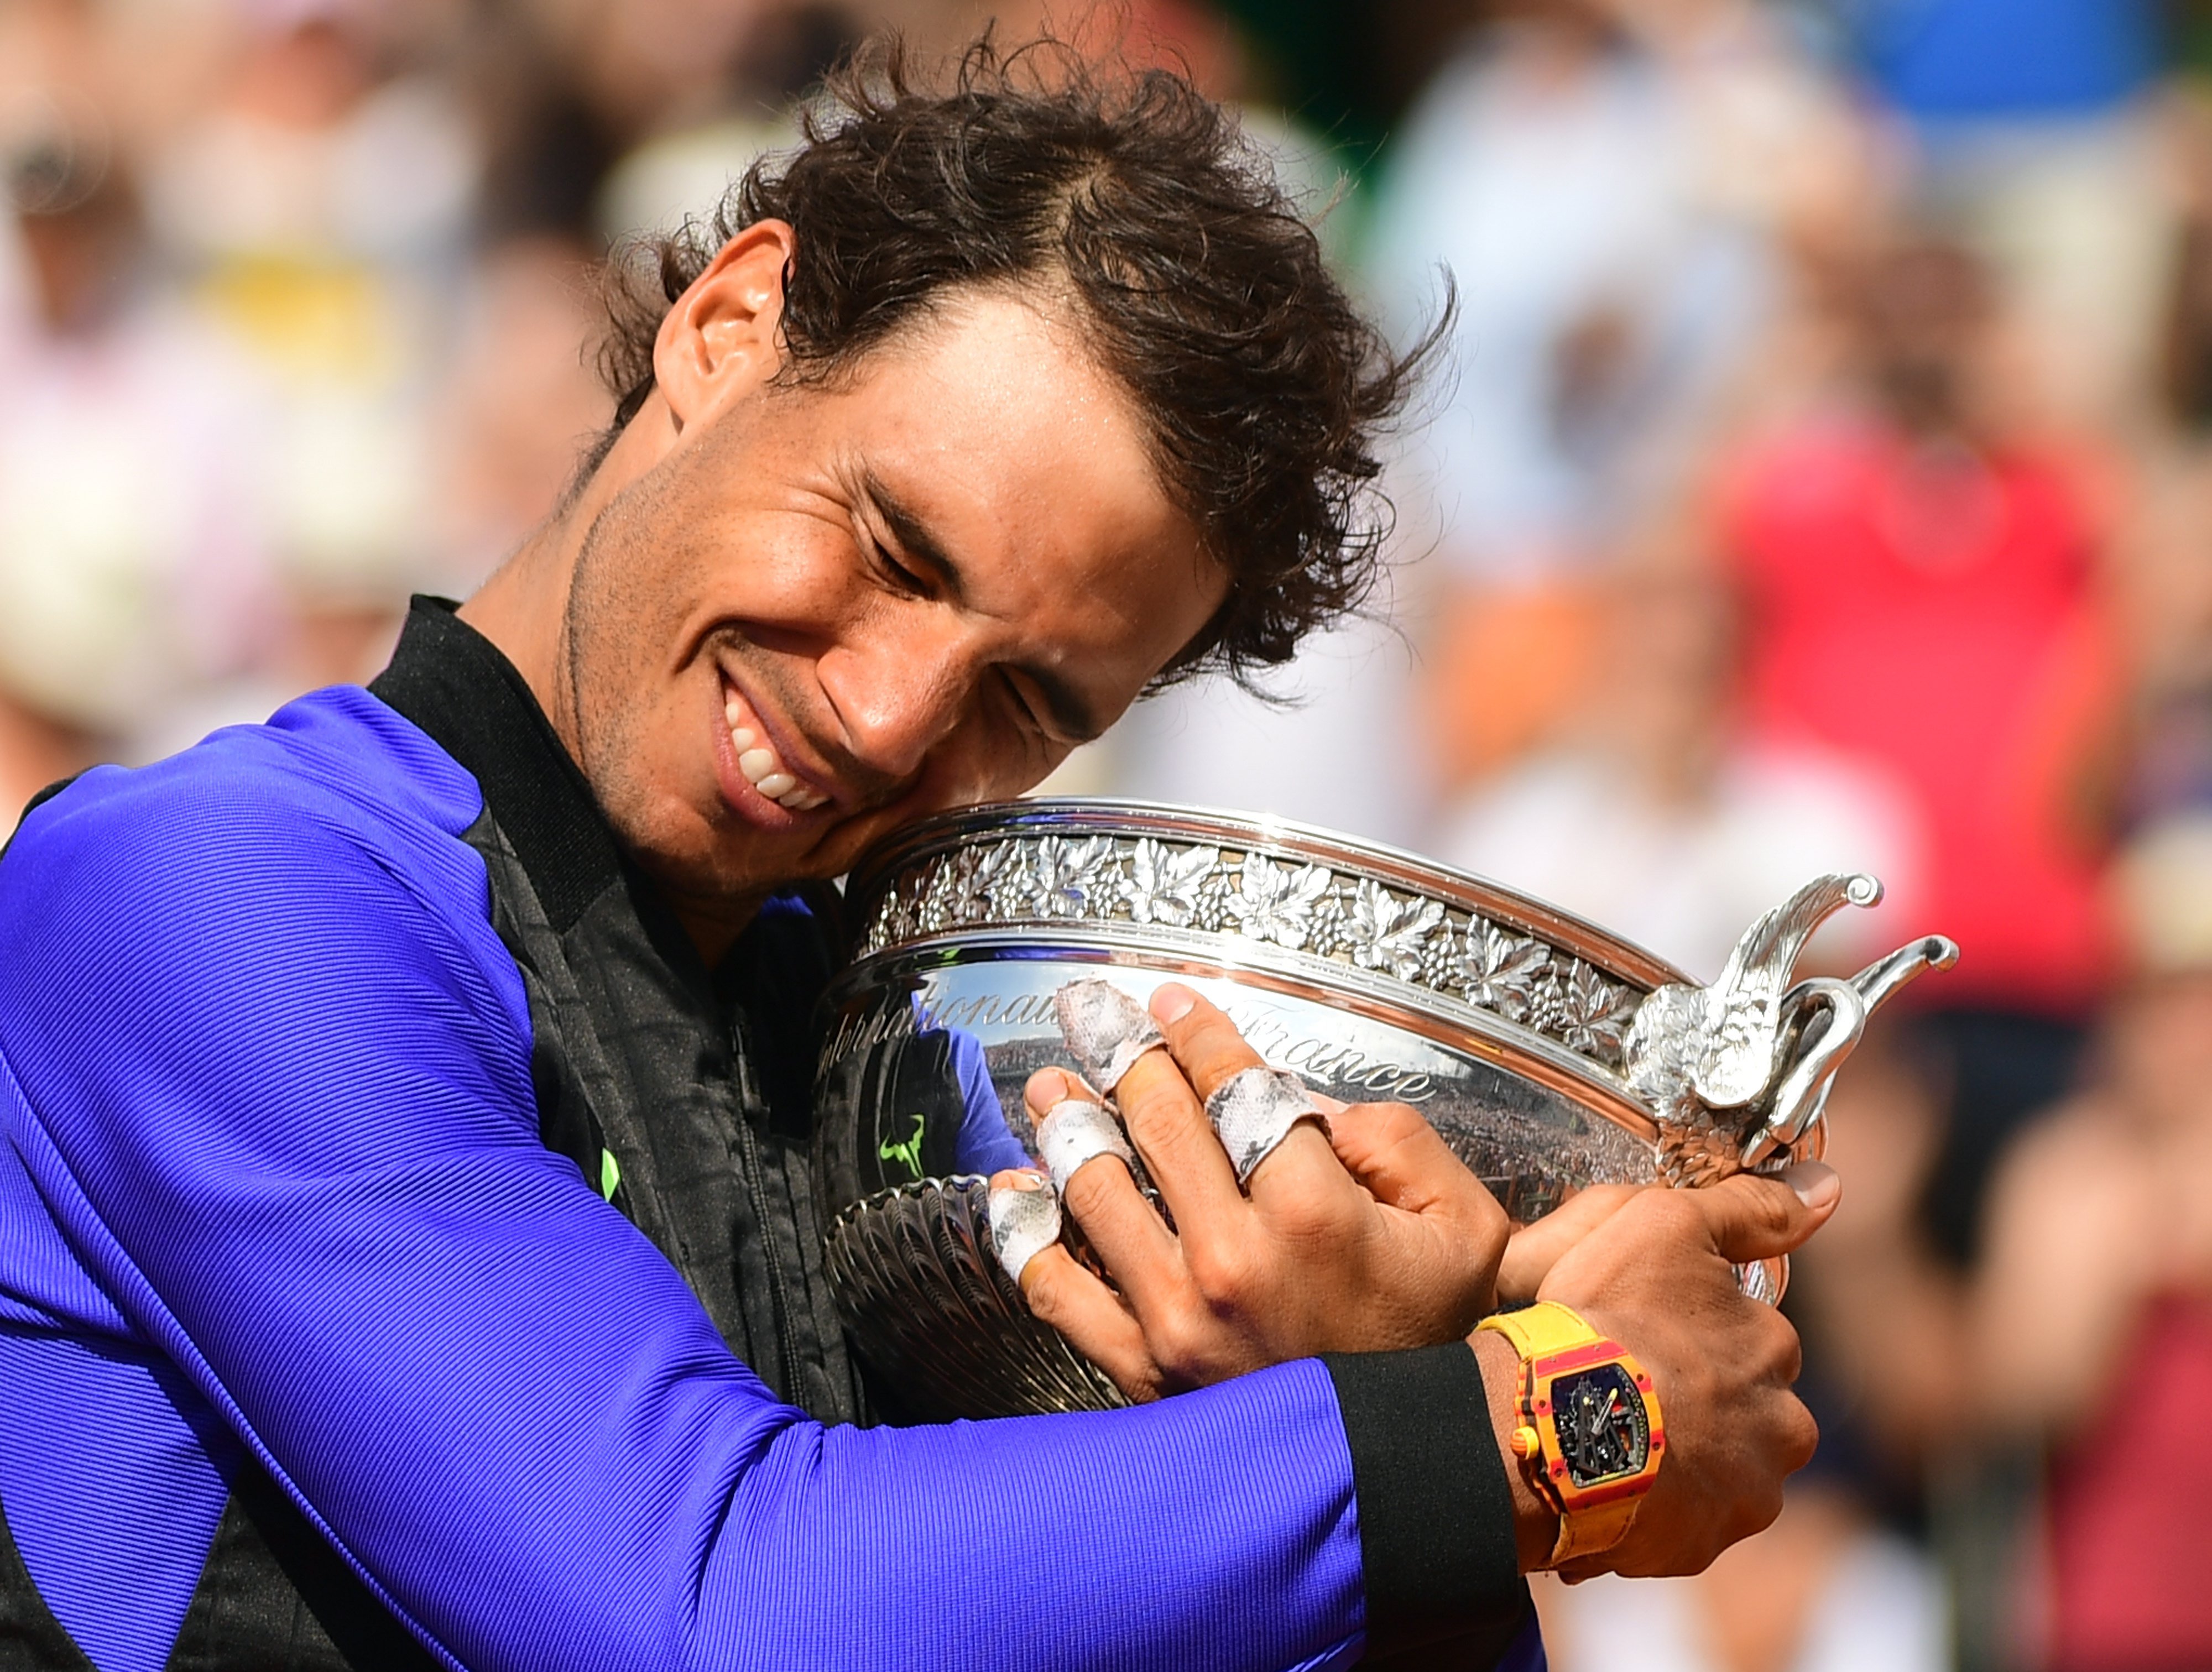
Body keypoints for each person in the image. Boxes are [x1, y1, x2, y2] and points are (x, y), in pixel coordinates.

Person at [0, 39, 1829, 1672]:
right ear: (728, 328)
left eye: (1025, 696)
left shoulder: (903, 1071)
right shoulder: (203, 892)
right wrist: (1532, 1423)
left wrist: (1390, 1365)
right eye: (893, 545)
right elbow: (698, 1613)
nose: (887, 720)